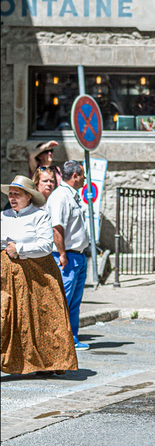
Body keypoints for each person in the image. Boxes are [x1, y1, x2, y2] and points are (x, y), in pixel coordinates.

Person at [1, 176, 78, 377]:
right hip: (7, 273)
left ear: (29, 196)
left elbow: (45, 245)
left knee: (41, 317)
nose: (12, 198)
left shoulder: (39, 216)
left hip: (36, 272)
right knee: (6, 315)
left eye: (17, 194)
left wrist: (20, 249)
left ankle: (46, 362)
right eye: (10, 194)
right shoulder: (4, 215)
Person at [45, 160, 92, 352]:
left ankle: (72, 338)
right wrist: (62, 254)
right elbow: (57, 227)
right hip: (67, 256)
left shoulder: (73, 196)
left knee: (74, 301)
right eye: (82, 176)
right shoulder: (61, 197)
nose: (84, 179)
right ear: (75, 176)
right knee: (63, 299)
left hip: (78, 256)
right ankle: (58, 340)